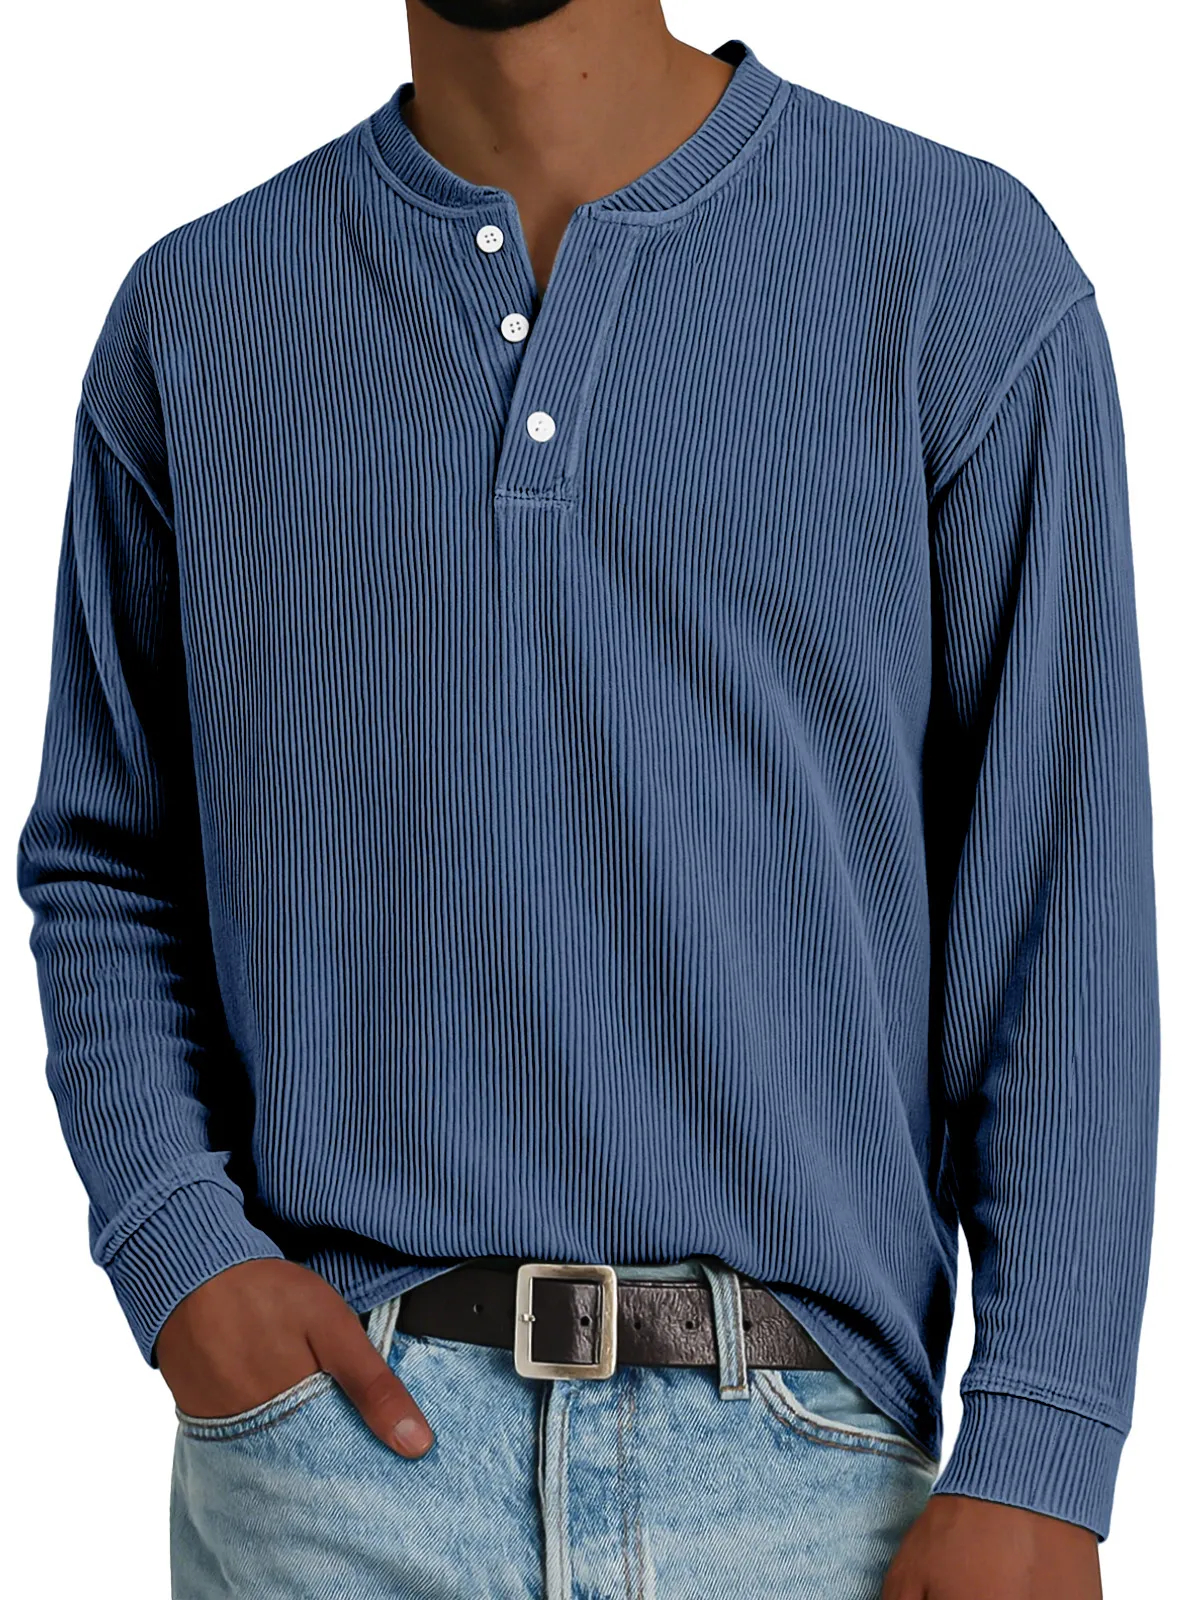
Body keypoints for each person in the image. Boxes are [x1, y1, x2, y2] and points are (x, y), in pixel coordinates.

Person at [15, 1, 1159, 1596]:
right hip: (337, 1479)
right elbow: (108, 859)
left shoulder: (957, 273)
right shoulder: (200, 316)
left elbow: (1058, 897)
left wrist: (1042, 1448)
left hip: (813, 1494)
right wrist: (176, 1250)